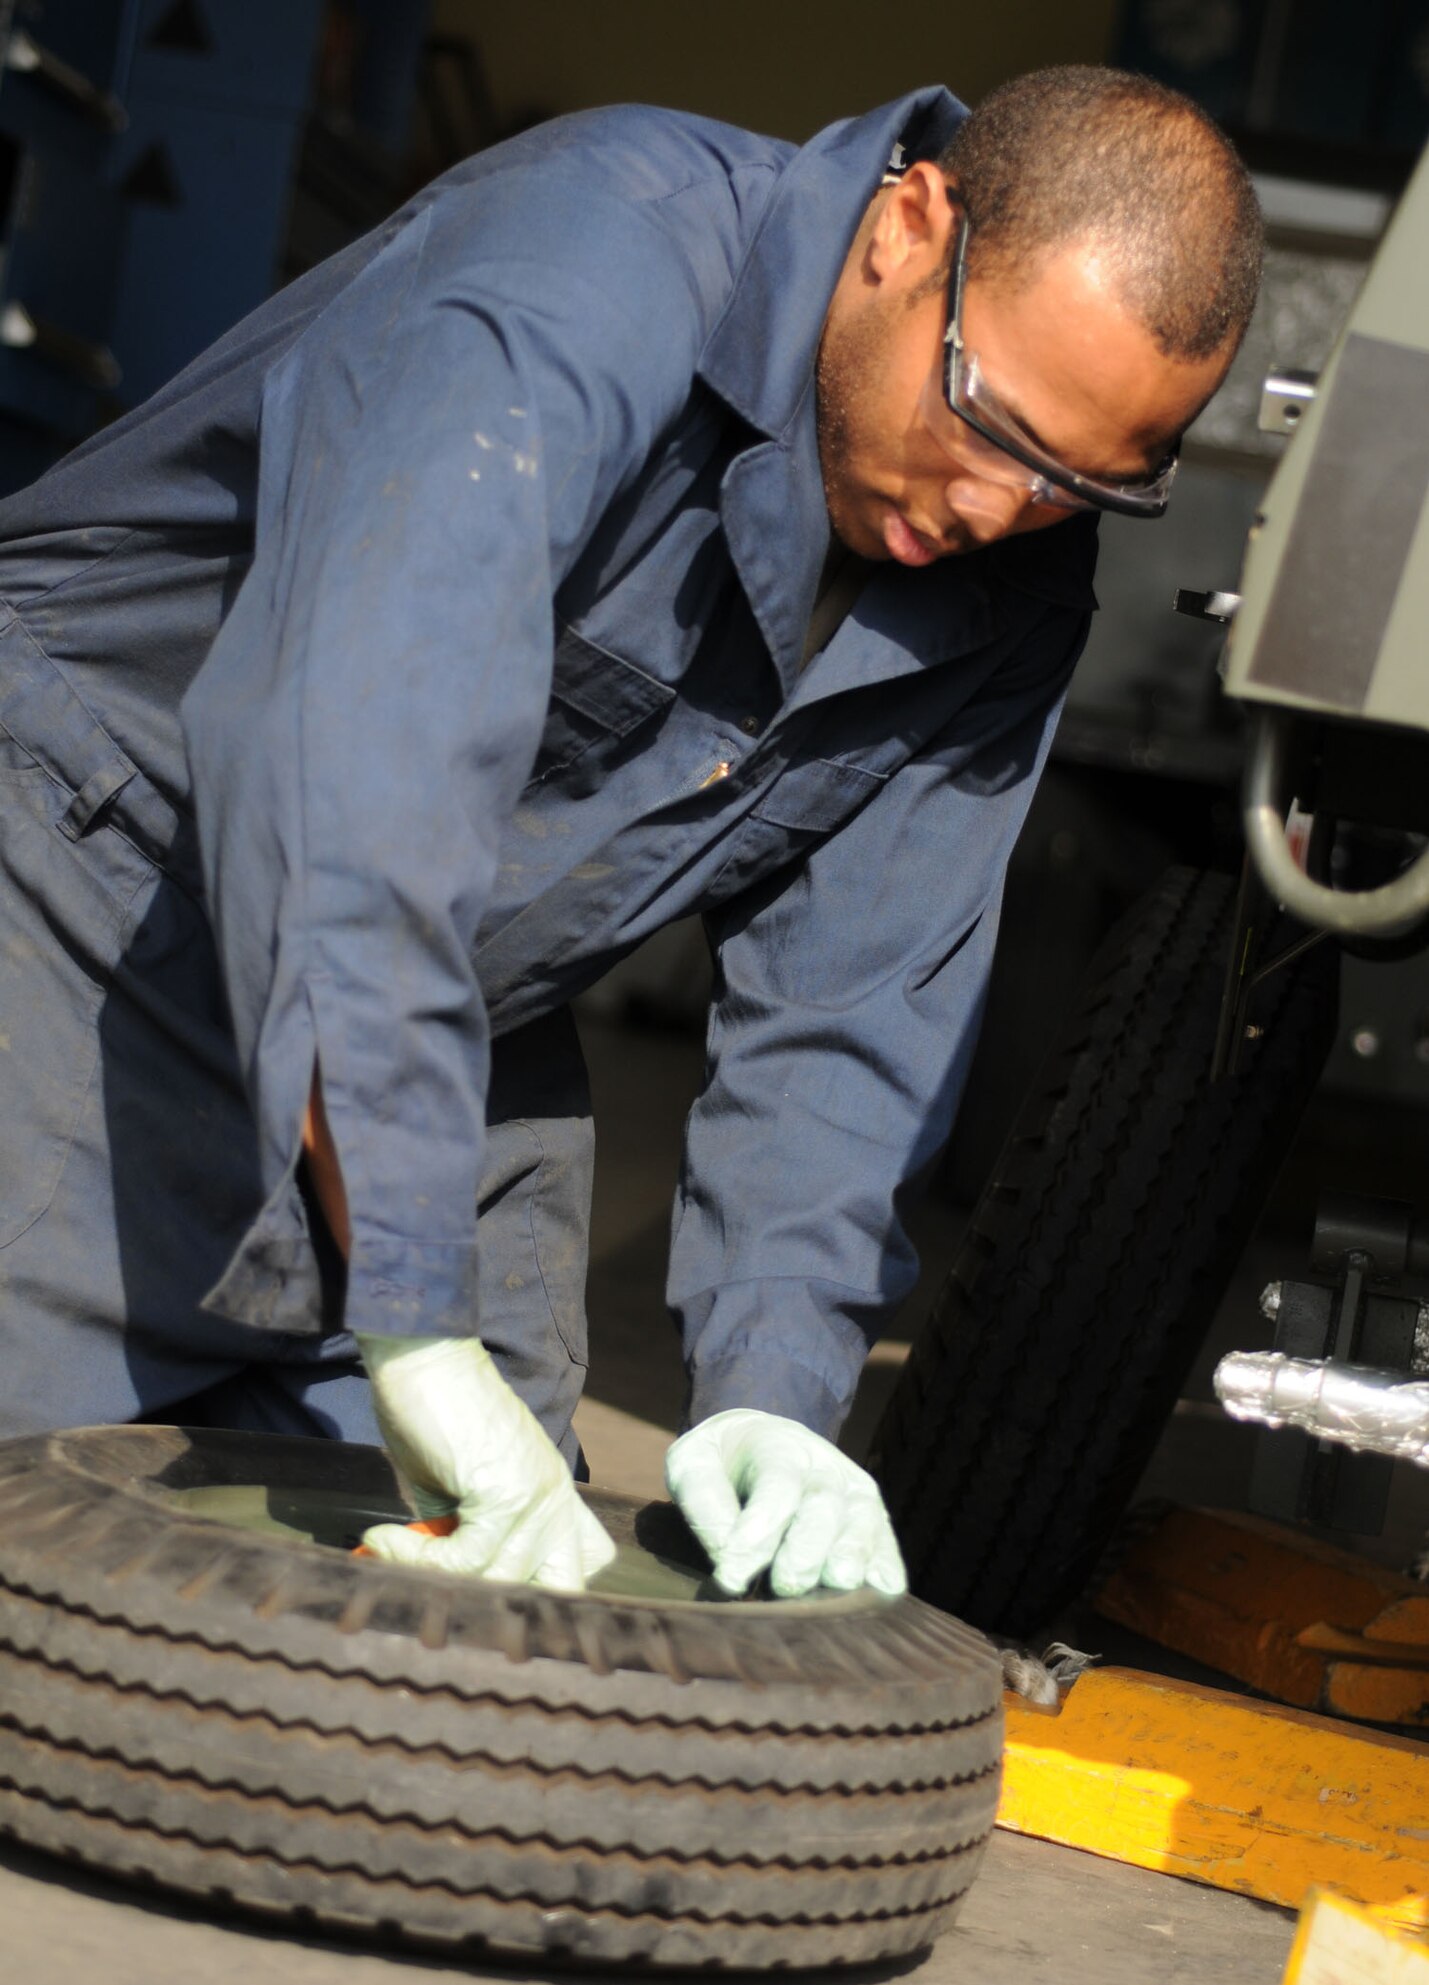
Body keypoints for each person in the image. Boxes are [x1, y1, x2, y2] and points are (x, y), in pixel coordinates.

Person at [0, 66, 1259, 1597]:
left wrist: (773, 1382)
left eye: (1077, 482)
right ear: (908, 230)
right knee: (37, 1556)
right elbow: (357, 771)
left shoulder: (1008, 586)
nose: (999, 508)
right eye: (990, 418)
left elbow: (853, 1008)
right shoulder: (579, 272)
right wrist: (408, 1300)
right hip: (80, 900)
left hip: (440, 1014)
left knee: (498, 1622)